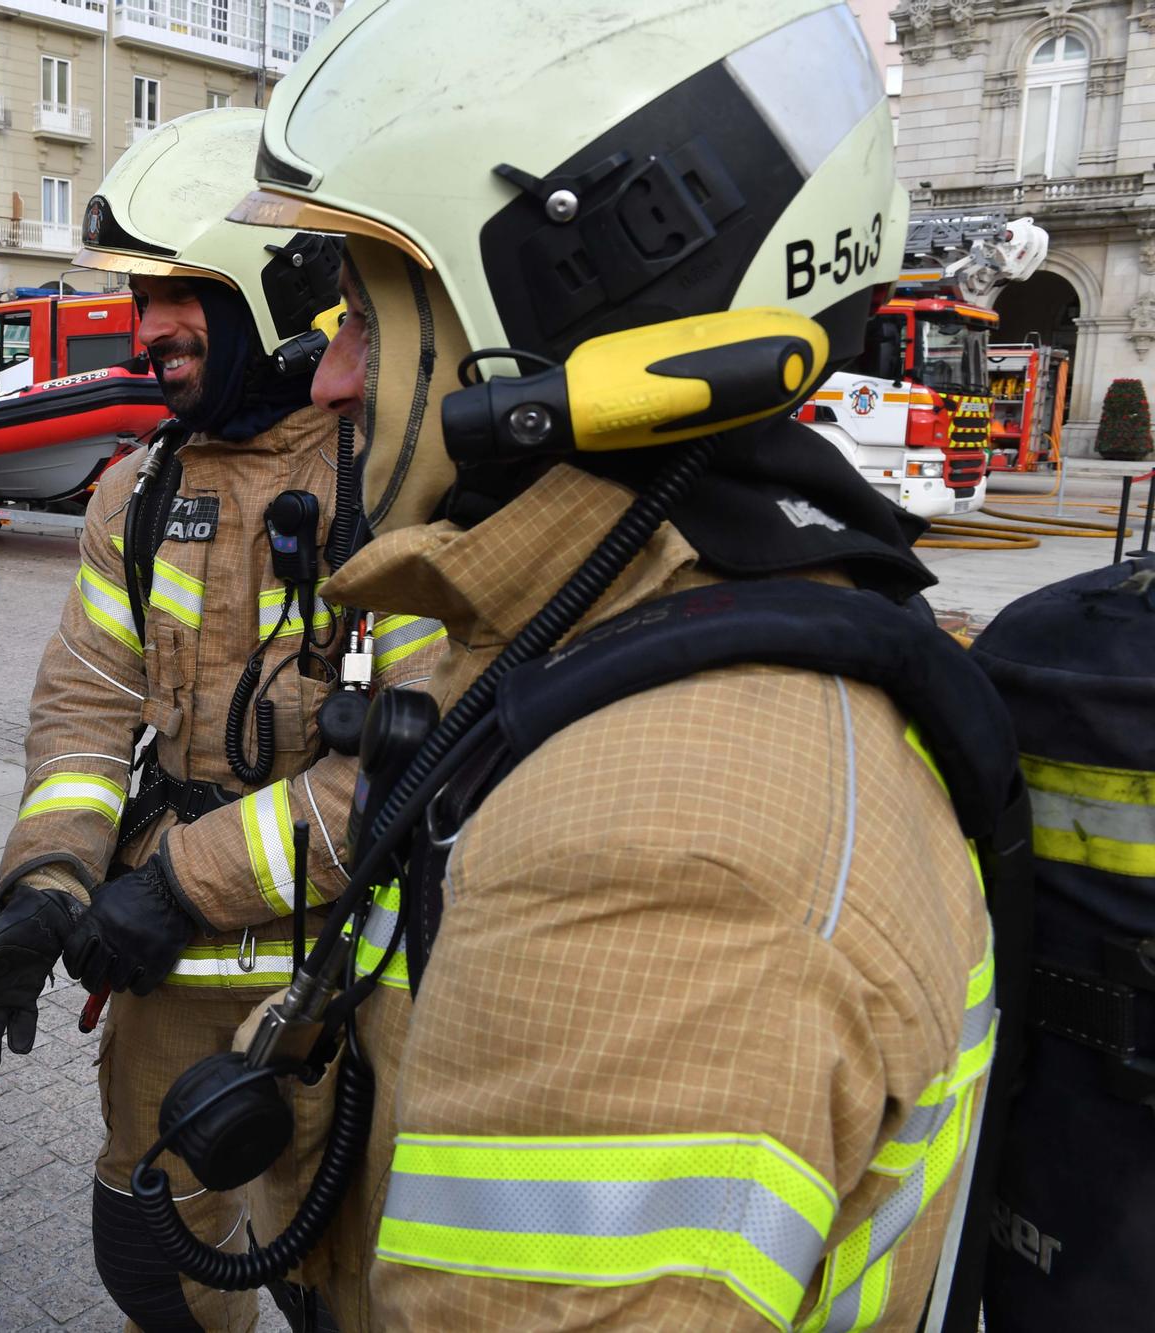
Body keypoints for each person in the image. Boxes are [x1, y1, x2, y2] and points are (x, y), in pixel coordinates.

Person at [199, 2, 1010, 1329]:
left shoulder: (659, 856)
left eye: (364, 311)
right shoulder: (636, 617)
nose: (332, 379)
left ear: (570, 304)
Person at [0, 108, 445, 1333]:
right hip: (170, 989)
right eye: (141, 294)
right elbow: (85, 704)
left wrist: (176, 882)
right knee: (149, 1259)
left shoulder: (400, 483)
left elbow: (401, 775)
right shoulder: (138, 489)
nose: (147, 326)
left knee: (347, 1288)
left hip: (352, 988)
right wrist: (50, 884)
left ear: (271, 291)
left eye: (179, 291)